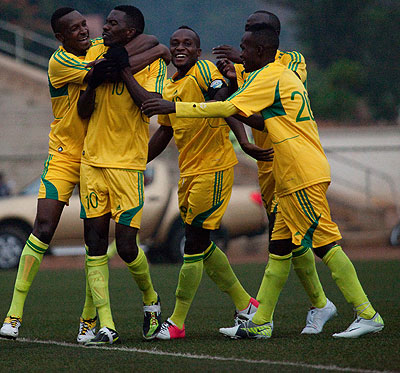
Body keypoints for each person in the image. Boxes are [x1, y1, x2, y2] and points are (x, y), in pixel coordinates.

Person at [141, 23, 384, 339]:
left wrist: (174, 107)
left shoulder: (268, 75)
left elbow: (228, 106)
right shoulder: (278, 77)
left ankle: (367, 313)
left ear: (260, 51)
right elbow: (252, 115)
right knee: (280, 248)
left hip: (300, 172)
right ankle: (260, 320)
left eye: (244, 48)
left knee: (324, 244)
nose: (240, 54)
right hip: (288, 172)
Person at [0, 7, 170, 344]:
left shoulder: (97, 46)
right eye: (74, 28)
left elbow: (142, 39)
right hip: (66, 156)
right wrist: (151, 52)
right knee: (44, 227)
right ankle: (13, 316)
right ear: (60, 37)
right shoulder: (60, 62)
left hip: (98, 156)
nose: (84, 31)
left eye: (83, 25)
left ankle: (90, 320)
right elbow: (105, 71)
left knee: (102, 240)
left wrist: (157, 49)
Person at [146, 26, 273, 340]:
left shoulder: (205, 70)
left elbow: (222, 98)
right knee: (201, 245)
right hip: (188, 173)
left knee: (193, 243)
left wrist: (242, 141)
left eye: (187, 43)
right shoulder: (171, 84)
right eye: (175, 43)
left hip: (214, 170)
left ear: (197, 50)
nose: (180, 48)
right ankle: (247, 305)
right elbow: (164, 131)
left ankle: (176, 322)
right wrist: (136, 163)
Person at [214, 10, 336, 335]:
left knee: (297, 238)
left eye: (251, 33)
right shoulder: (249, 67)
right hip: (267, 162)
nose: (244, 41)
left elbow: (267, 99)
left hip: (291, 159)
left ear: (266, 38)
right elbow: (242, 101)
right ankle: (305, 308)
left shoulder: (291, 62)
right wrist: (234, 74)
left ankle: (318, 306)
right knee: (282, 238)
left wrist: (240, 71)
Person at [76, 5, 167, 345]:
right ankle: (106, 324)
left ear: (131, 32)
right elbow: (85, 111)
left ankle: (150, 300)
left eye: (114, 23)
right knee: (95, 242)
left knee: (127, 246)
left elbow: (150, 103)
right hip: (93, 162)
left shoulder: (152, 62)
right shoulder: (98, 51)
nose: (106, 27)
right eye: (108, 21)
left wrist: (124, 70)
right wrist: (93, 82)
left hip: (128, 164)